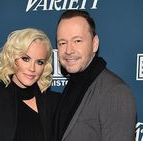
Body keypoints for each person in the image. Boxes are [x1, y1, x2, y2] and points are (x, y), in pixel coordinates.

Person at [54, 10, 137, 141]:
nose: (68, 50)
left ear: (94, 44)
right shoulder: (74, 83)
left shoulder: (115, 92)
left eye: (77, 41)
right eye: (62, 43)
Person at [0, 28, 60, 141]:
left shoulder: (56, 103)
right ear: (12, 58)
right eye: (26, 59)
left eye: (39, 62)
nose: (32, 68)